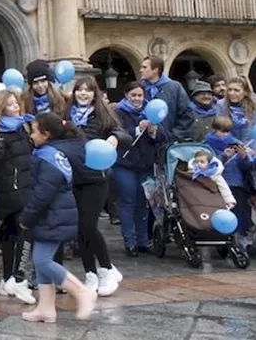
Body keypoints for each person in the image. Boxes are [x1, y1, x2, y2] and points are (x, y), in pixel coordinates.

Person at [20, 112, 96, 323]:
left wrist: (27, 217)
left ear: (45, 135)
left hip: (52, 216)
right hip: (53, 216)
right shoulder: (51, 154)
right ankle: (46, 308)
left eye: (34, 132)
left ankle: (81, 291)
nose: (31, 136)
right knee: (40, 260)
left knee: (43, 261)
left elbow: (43, 193)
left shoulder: (48, 158)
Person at [63, 76, 128, 296]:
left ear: (94, 93)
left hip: (96, 177)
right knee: (80, 228)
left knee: (89, 225)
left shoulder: (102, 112)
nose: (83, 94)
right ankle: (90, 273)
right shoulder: (66, 115)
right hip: (73, 176)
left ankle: (107, 269)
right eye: (79, 90)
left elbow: (122, 132)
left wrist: (114, 139)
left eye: (87, 90)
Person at [0, 89, 35, 305]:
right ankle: (17, 277)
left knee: (12, 232)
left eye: (16, 104)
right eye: (11, 105)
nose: (16, 108)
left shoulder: (23, 126)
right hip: (9, 188)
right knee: (19, 233)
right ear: (1, 108)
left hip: (25, 184)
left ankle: (9, 278)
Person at [113, 81, 168, 256]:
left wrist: (153, 130)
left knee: (143, 202)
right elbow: (117, 134)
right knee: (128, 201)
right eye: (133, 95)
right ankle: (130, 241)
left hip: (145, 164)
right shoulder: (118, 112)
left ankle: (143, 240)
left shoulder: (151, 111)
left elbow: (163, 137)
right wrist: (137, 129)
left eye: (140, 95)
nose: (137, 99)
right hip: (125, 164)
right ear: (126, 95)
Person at [204, 115, 255, 244]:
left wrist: (244, 156)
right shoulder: (207, 144)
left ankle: (242, 238)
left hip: (236, 183)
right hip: (216, 183)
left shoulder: (236, 142)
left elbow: (246, 166)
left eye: (227, 131)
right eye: (221, 131)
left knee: (240, 210)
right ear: (214, 129)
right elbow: (207, 165)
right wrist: (224, 156)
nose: (224, 135)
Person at [140, 56, 194, 140]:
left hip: (168, 142)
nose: (141, 70)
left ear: (155, 70)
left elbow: (187, 114)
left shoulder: (175, 87)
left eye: (144, 67)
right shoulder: (140, 88)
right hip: (145, 142)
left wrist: (174, 135)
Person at [216, 76, 256, 142]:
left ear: (245, 92)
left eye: (236, 90)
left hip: (252, 145)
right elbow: (220, 130)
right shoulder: (221, 105)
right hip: (229, 145)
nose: (231, 93)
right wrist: (238, 144)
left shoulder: (254, 104)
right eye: (229, 90)